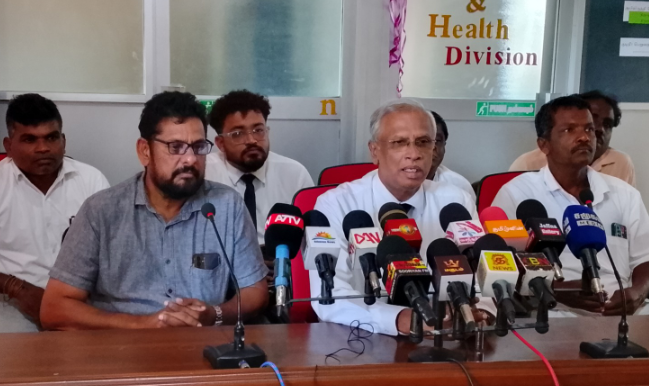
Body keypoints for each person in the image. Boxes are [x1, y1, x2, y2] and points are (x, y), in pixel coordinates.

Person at [40, 91, 269, 330]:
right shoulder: (101, 211)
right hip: (123, 345)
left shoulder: (226, 205)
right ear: (145, 151)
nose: (190, 160)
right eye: (176, 147)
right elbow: (55, 308)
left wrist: (215, 315)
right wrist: (144, 324)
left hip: (203, 342)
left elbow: (255, 292)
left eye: (198, 147)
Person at [311, 100, 479, 336]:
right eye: (399, 143)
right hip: (363, 338)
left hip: (445, 334)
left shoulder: (456, 201)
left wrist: (482, 307)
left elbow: (479, 278)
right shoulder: (337, 204)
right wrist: (398, 318)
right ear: (374, 151)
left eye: (423, 142)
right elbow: (328, 295)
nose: (414, 154)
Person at [492, 96, 649, 317]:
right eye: (569, 130)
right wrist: (556, 290)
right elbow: (500, 265)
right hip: (553, 307)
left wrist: (637, 293)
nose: (584, 137)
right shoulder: (516, 194)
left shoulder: (624, 194)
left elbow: (648, 258)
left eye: (589, 129)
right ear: (544, 145)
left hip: (620, 308)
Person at [0, 93, 109, 333]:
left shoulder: (91, 180)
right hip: (6, 299)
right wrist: (17, 288)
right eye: (29, 140)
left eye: (51, 137)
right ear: (8, 146)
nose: (43, 148)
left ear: (63, 140)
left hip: (80, 296)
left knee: (109, 350)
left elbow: (112, 246)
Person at [205, 90, 314, 245]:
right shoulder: (205, 174)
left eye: (258, 130)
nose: (251, 140)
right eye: (238, 134)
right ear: (220, 143)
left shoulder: (295, 174)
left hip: (279, 257)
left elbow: (311, 239)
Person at [509, 90, 636, 187]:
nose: (599, 129)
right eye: (592, 121)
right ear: (544, 144)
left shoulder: (621, 164)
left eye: (607, 124)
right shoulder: (527, 164)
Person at [426, 111, 476, 199]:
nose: (433, 147)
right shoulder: (398, 186)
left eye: (437, 140)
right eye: (423, 141)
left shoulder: (460, 186)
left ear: (444, 145)